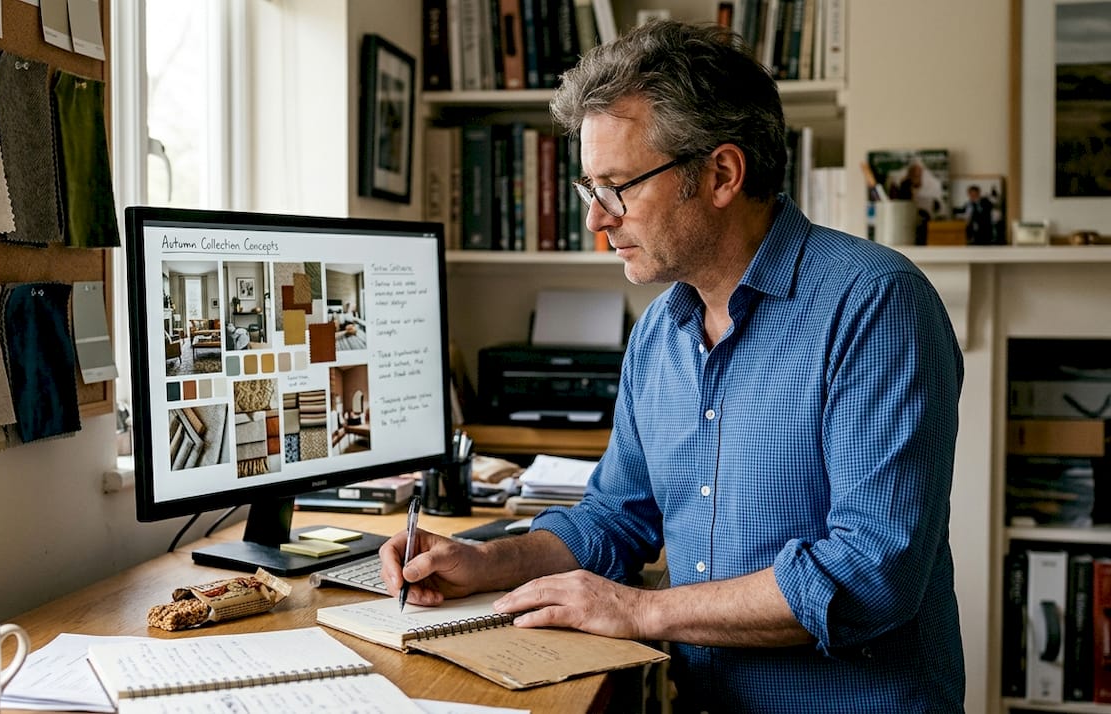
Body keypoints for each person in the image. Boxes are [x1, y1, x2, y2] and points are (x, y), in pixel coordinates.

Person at [380, 20, 966, 712]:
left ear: (721, 175)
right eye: (589, 189)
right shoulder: (660, 331)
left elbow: (871, 573)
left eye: (618, 186)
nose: (597, 220)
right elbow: (615, 519)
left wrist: (638, 611)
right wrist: (486, 563)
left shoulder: (876, 304)